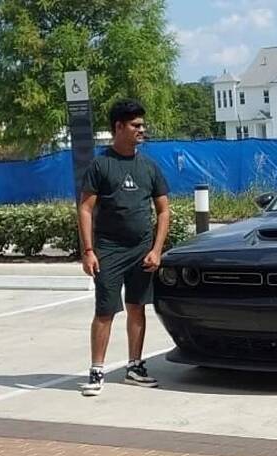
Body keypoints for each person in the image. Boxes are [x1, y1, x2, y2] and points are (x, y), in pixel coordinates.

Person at [78, 99, 171, 395]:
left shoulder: (149, 167)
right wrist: (89, 251)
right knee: (105, 310)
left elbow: (164, 211)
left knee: (137, 307)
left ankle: (134, 367)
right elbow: (85, 209)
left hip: (141, 250)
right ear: (118, 127)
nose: (141, 130)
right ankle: (96, 371)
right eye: (135, 125)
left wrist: (156, 249)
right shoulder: (101, 165)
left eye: (142, 125)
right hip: (109, 250)